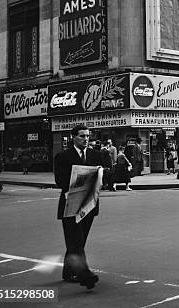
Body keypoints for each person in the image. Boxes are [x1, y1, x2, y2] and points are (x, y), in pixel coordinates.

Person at [53, 124, 101, 289]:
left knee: (79, 241)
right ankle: (85, 275)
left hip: (89, 204)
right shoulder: (63, 156)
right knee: (75, 242)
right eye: (82, 136)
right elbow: (60, 181)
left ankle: (68, 272)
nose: (86, 139)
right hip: (70, 204)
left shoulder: (95, 155)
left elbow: (103, 176)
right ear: (73, 137)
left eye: (88, 136)